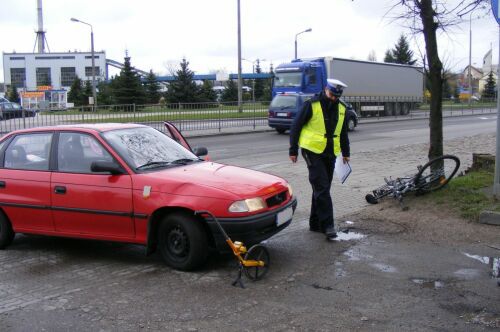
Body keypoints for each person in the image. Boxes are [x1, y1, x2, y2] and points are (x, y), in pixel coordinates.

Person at [289, 78, 351, 241]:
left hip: (330, 152)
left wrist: (346, 152)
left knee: (322, 188)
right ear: (325, 89)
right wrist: (293, 150)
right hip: (311, 151)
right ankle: (328, 225)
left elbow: (343, 132)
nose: (333, 99)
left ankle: (315, 223)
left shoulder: (342, 108)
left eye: (336, 96)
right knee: (322, 187)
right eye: (331, 95)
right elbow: (296, 126)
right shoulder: (311, 104)